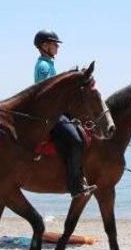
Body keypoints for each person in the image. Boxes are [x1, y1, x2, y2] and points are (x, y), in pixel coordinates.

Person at [32, 29, 96, 198]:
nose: (57, 48)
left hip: (57, 111)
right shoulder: (44, 66)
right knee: (75, 140)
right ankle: (74, 184)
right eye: (55, 44)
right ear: (45, 46)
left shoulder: (49, 64)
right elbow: (47, 90)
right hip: (50, 114)